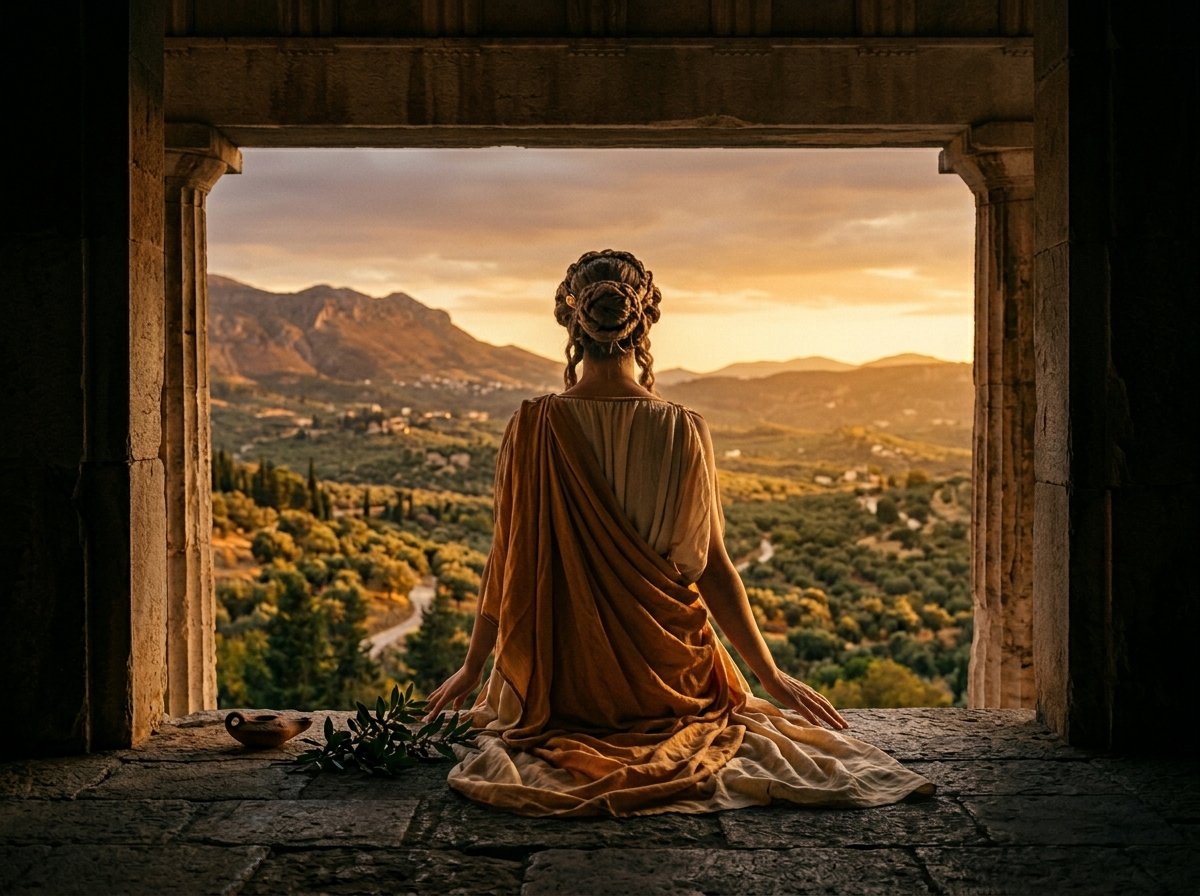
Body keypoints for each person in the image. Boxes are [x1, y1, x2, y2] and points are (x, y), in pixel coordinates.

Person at [424, 249, 935, 817]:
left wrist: (474, 667)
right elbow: (712, 567)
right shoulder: (681, 428)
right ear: (644, 323)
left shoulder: (532, 425)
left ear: (570, 325)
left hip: (563, 690)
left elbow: (507, 561)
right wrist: (769, 675)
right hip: (671, 690)